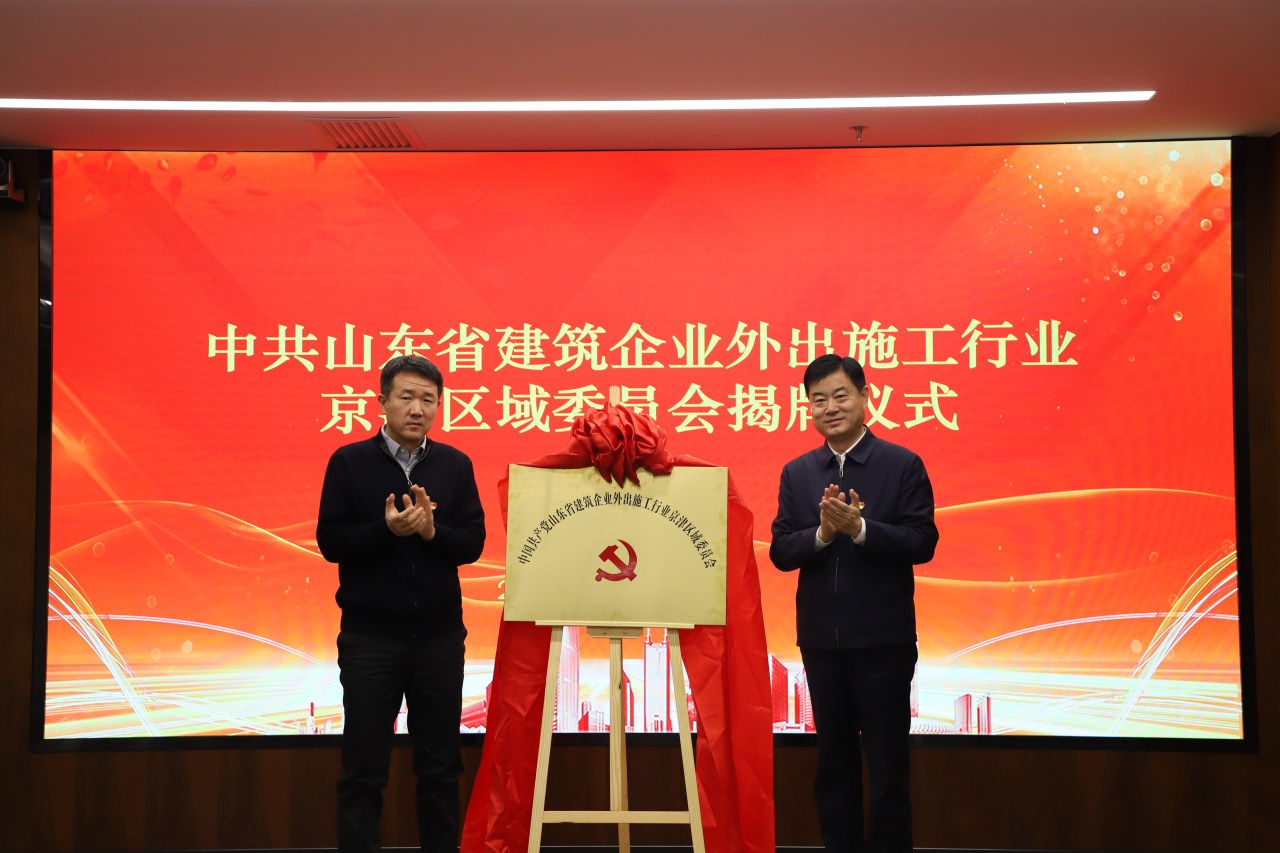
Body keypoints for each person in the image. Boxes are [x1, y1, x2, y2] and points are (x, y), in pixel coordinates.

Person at [769, 354, 939, 853]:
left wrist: (861, 529)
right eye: (818, 399)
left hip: (883, 643)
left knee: (888, 770)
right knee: (834, 768)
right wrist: (822, 534)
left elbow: (922, 541)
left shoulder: (902, 464)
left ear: (865, 397)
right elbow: (781, 550)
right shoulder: (798, 473)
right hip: (822, 644)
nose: (830, 407)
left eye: (840, 395)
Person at [317, 354, 486, 853]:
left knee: (440, 770)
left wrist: (433, 533)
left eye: (428, 400)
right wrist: (384, 530)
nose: (417, 409)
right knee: (363, 770)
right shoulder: (348, 462)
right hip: (371, 640)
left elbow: (472, 543)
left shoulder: (455, 465)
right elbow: (331, 541)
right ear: (382, 402)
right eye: (406, 397)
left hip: (438, 640)